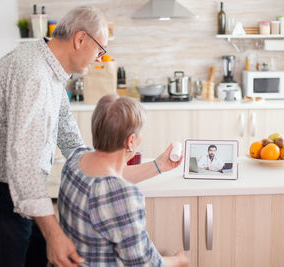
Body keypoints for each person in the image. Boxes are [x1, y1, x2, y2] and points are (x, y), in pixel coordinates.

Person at [0, 6, 179, 267]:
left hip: (20, 191)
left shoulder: (50, 66)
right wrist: (54, 233)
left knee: (35, 254)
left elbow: (64, 121)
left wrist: (89, 160)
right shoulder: (35, 77)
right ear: (80, 39)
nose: (100, 58)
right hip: (0, 192)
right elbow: (23, 165)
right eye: (100, 50)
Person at [58, 95, 188, 266]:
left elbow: (107, 177)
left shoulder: (75, 160)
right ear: (131, 141)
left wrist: (158, 165)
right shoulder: (123, 195)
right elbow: (144, 264)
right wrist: (179, 260)